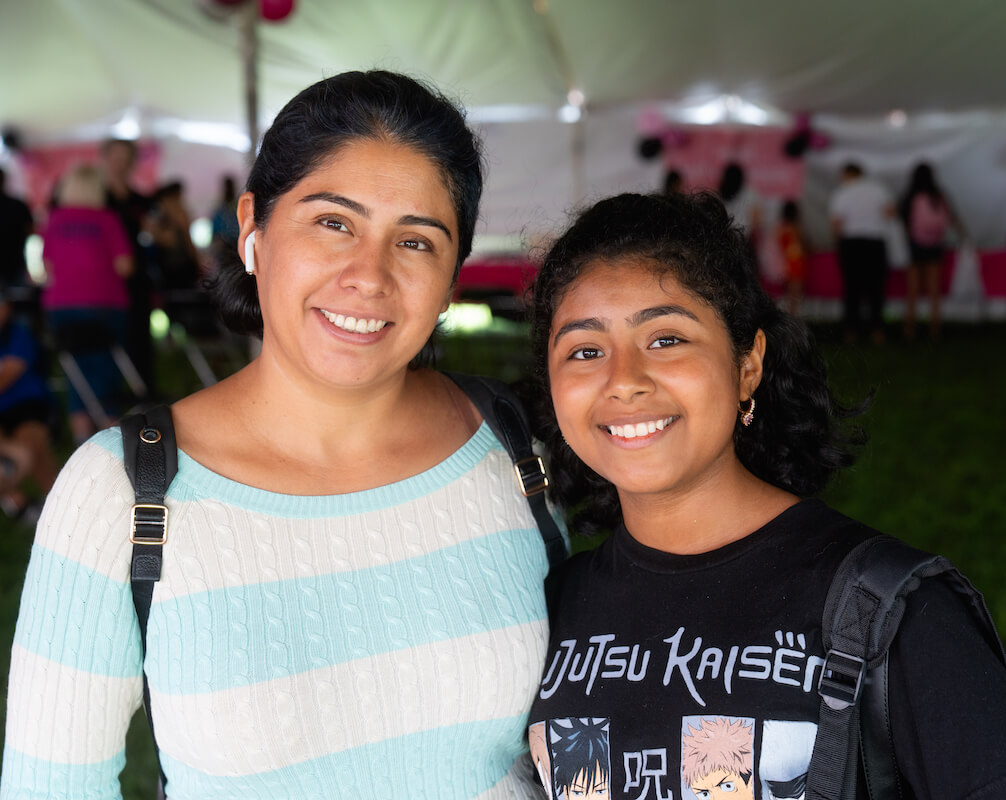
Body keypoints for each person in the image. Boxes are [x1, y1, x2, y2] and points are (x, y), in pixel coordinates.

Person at [2, 70, 553, 799]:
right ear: (253, 229)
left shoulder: (508, 449)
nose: (369, 275)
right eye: (333, 223)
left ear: (454, 277)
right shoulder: (118, 495)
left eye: (416, 241)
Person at [525, 192, 1006, 799]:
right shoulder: (545, 612)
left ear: (747, 364)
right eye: (585, 351)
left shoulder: (887, 610)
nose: (623, 380)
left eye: (667, 338)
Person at [41, 162, 134, 443]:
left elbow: (47, 267)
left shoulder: (54, 220)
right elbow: (124, 266)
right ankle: (111, 439)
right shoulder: (107, 219)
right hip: (106, 302)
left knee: (75, 373)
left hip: (62, 305)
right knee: (106, 369)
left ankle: (82, 442)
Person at [101, 137, 156, 392]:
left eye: (126, 157)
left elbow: (158, 234)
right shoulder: (95, 197)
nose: (120, 163)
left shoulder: (140, 201)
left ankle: (142, 393)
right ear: (105, 158)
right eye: (115, 156)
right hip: (103, 280)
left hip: (135, 280)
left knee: (139, 340)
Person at [0, 288, 57, 522]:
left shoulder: (18, 334)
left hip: (26, 404)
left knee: (31, 446)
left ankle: (56, 504)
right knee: (19, 455)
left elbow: (11, 373)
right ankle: (19, 502)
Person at [829, 163, 894, 345]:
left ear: (848, 174)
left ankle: (851, 332)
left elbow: (836, 223)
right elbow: (890, 212)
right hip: (875, 242)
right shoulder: (878, 189)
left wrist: (838, 242)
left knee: (852, 287)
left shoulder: (843, 192)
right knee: (876, 288)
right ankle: (877, 331)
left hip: (851, 243)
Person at [899, 162, 964, 342]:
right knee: (934, 290)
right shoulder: (939, 196)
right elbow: (952, 218)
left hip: (915, 246)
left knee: (913, 290)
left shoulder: (911, 196)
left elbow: (903, 222)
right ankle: (935, 331)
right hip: (936, 246)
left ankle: (909, 330)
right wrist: (965, 237)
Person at [0, 167, 34, 289]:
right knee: (18, 302)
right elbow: (31, 231)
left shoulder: (18, 205)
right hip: (15, 263)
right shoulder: (18, 205)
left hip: (16, 266)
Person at [777, 199, 808, 316]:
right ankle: (793, 319)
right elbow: (804, 245)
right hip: (797, 263)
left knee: (790, 296)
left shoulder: (780, 228)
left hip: (786, 263)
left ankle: (791, 319)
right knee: (795, 296)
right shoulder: (796, 228)